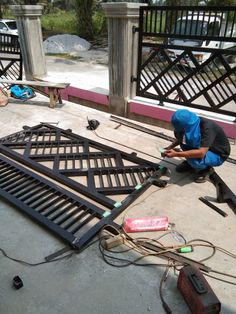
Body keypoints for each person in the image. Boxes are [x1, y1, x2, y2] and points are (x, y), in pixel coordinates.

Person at [163, 109, 231, 183]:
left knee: (196, 161)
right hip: (204, 148)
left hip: (217, 154)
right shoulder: (189, 125)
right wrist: (170, 147)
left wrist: (176, 154)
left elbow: (201, 153)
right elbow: (181, 138)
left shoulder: (207, 127)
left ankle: (207, 169)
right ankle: (190, 164)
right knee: (184, 144)